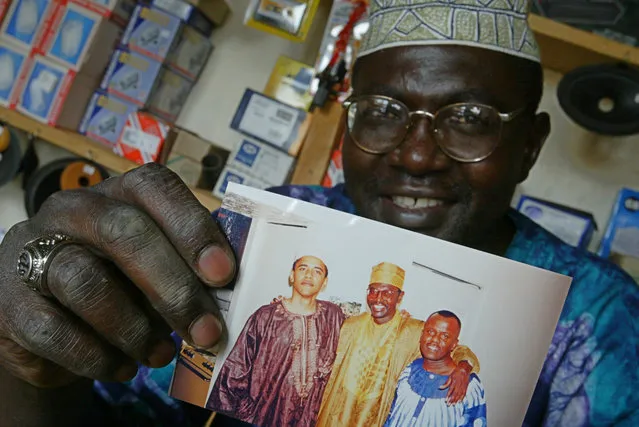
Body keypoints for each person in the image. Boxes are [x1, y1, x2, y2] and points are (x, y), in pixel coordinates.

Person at [0, 0, 637, 425]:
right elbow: (111, 406)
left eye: (470, 121)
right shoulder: (275, 234)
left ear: (530, 147)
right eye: (382, 113)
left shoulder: (597, 314)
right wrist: (27, 356)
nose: (416, 157)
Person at [316, 262, 479, 427]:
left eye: (387, 292)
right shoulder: (352, 325)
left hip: (377, 416)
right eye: (373, 291)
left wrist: (464, 367)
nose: (378, 299)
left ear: (400, 297)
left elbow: (457, 348)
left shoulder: (413, 330)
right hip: (337, 414)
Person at [205, 255, 345, 427]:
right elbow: (237, 367)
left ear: (324, 283)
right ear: (292, 276)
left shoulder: (334, 315)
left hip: (311, 417)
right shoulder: (265, 316)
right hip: (262, 414)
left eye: (317, 271)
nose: (309, 275)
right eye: (303, 269)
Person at [384, 311, 486, 427]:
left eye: (445, 336)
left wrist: (464, 366)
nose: (435, 340)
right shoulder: (408, 370)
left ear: (454, 344)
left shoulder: (468, 384)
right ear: (422, 335)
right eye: (430, 332)